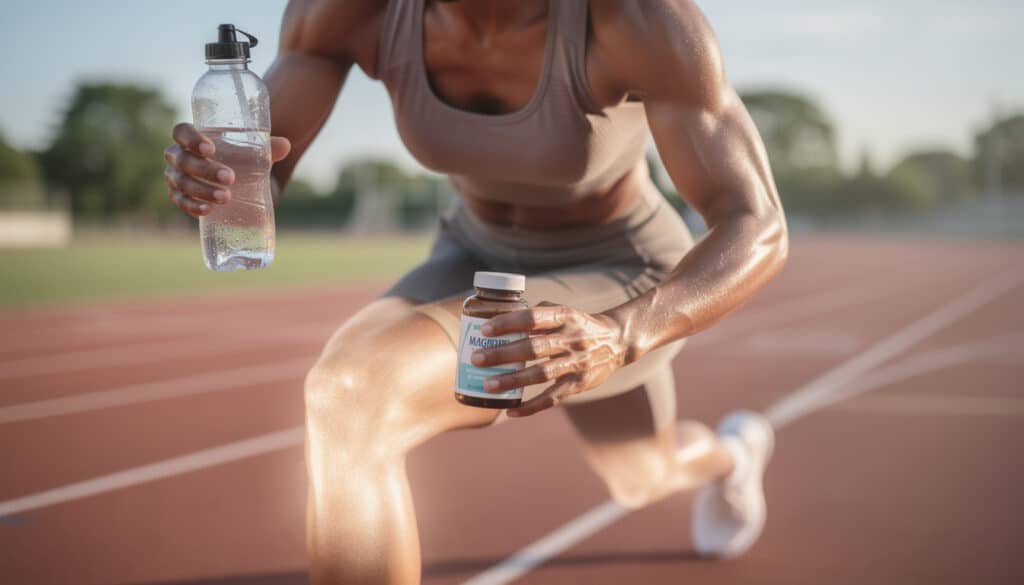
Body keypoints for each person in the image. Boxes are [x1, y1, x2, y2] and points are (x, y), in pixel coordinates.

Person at [163, 0, 788, 582]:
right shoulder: (350, 11)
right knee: (349, 393)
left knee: (645, 475)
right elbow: (261, 179)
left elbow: (756, 225)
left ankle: (732, 455)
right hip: (473, 253)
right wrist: (220, 184)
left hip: (617, 269)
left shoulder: (635, 20)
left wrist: (623, 332)